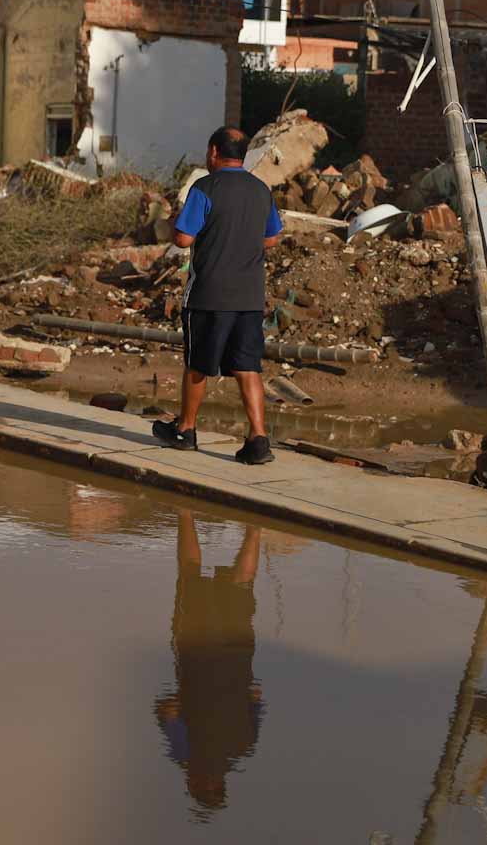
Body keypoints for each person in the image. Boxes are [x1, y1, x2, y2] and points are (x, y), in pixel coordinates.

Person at [153, 127, 281, 465]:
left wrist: (170, 224)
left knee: (198, 364)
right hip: (250, 297)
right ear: (242, 155)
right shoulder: (260, 189)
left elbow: (182, 239)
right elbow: (271, 238)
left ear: (213, 152)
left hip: (209, 295)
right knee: (247, 366)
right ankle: (258, 439)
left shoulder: (205, 187)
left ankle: (185, 430)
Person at [152, 512, 264, 815]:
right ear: (196, 783)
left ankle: (254, 529)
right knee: (189, 575)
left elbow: (256, 696)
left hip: (238, 655)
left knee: (241, 587)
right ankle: (186, 513)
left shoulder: (244, 746)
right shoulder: (185, 753)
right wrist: (183, 701)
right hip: (196, 652)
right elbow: (166, 710)